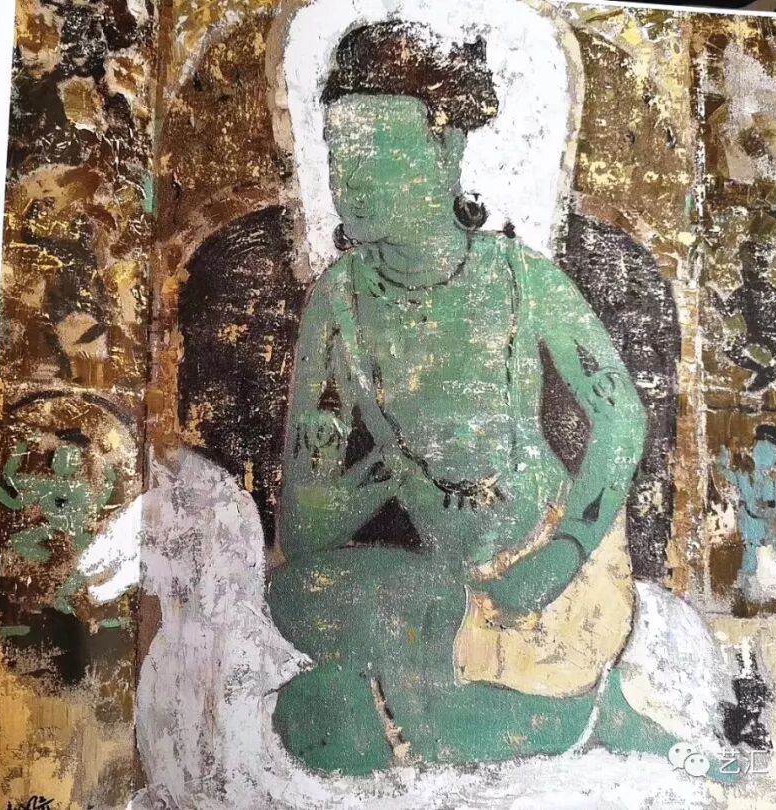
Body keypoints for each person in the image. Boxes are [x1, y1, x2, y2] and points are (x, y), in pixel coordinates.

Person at [266, 21, 679, 773]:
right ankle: (461, 702)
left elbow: (621, 418)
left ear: (445, 150)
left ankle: (543, 710)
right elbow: (304, 530)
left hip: (548, 577)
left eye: (375, 150)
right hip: (440, 589)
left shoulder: (519, 280)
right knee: (294, 599)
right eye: (336, 152)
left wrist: (564, 551)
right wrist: (388, 468)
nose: (349, 179)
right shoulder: (339, 300)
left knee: (324, 719)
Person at [716, 424, 776, 613]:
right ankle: (742, 599)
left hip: (773, 523)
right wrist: (726, 451)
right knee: (751, 563)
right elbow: (722, 471)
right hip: (752, 522)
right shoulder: (744, 475)